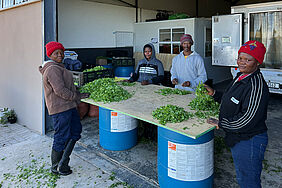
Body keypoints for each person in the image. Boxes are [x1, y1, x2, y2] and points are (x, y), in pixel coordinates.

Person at [206, 40, 269, 188]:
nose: (242, 62)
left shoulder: (255, 85)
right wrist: (215, 93)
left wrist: (222, 123)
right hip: (238, 136)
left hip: (249, 140)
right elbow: (232, 98)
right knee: (243, 177)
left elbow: (248, 119)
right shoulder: (240, 76)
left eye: (248, 60)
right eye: (240, 58)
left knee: (248, 181)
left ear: (257, 62)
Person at [39, 41, 89, 176]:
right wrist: (77, 96)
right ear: (50, 55)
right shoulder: (52, 69)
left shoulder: (59, 66)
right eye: (56, 53)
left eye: (61, 52)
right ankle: (56, 167)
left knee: (75, 131)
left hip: (69, 106)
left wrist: (77, 90)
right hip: (61, 109)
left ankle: (63, 162)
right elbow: (60, 91)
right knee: (61, 136)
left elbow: (66, 86)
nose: (60, 55)